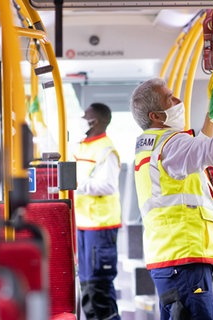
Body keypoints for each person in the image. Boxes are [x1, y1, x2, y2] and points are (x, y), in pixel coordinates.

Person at [130, 73, 213, 319]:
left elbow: (196, 153)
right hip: (184, 255)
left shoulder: (152, 144)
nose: (177, 100)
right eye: (169, 98)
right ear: (155, 116)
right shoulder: (171, 144)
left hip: (171, 255)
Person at [74, 102, 122, 320]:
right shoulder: (82, 146)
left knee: (98, 286)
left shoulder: (106, 149)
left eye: (87, 116)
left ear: (97, 121)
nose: (83, 119)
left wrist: (76, 184)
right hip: (84, 224)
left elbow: (108, 186)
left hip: (101, 226)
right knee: (86, 286)